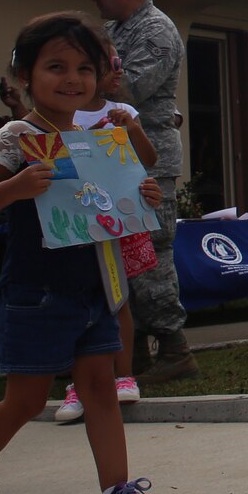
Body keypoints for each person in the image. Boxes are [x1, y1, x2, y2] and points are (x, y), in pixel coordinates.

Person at [0, 12, 174, 494]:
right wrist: (13, 189)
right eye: (56, 66)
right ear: (24, 75)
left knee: (100, 390)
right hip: (34, 293)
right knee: (24, 400)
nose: (72, 79)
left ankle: (117, 492)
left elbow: (103, 206)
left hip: (93, 287)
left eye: (84, 68)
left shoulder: (95, 139)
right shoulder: (16, 136)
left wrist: (140, 194)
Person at [77, 0, 196, 383]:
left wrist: (79, 81)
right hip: (111, 155)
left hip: (149, 157)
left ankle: (173, 347)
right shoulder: (115, 30)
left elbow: (128, 88)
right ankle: (136, 353)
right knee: (121, 253)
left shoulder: (156, 30)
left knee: (150, 253)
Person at [54, 37, 159, 423]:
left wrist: (131, 127)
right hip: (72, 226)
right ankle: (75, 385)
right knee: (74, 303)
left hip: (115, 223)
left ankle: (123, 376)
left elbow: (147, 160)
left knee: (118, 300)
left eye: (88, 69)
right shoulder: (54, 118)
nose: (77, 79)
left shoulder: (123, 111)